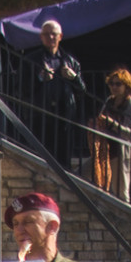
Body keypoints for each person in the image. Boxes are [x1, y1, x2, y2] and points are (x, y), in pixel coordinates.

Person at [30, 20, 86, 167]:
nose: (51, 37)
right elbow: (20, 89)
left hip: (65, 117)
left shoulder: (70, 62)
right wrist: (40, 78)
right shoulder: (31, 60)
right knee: (42, 161)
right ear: (41, 37)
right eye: (46, 34)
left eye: (54, 34)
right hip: (41, 116)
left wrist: (74, 78)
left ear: (60, 36)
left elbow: (81, 91)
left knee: (64, 162)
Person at [92, 67, 131, 204]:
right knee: (89, 177)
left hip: (121, 152)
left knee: (121, 192)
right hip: (105, 150)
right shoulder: (109, 101)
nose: (114, 87)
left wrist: (112, 123)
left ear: (127, 86)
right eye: (111, 84)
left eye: (118, 84)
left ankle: (125, 220)